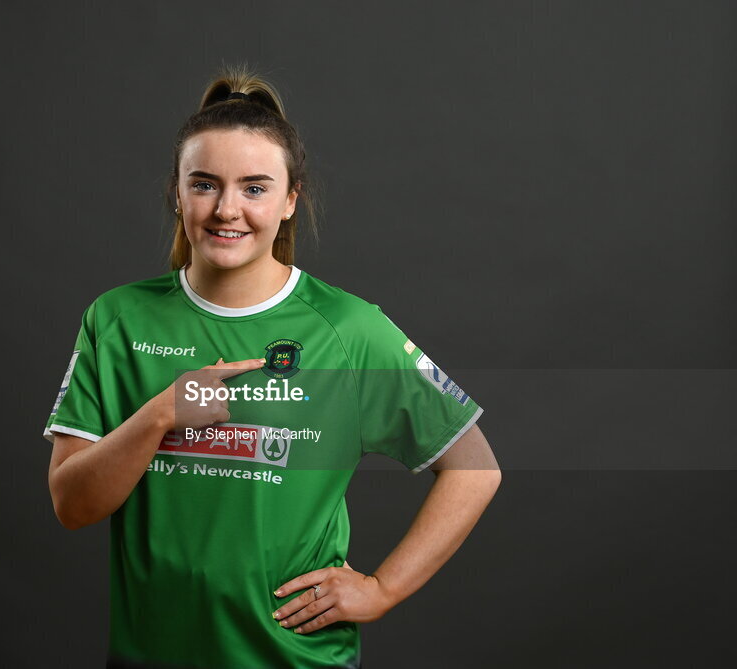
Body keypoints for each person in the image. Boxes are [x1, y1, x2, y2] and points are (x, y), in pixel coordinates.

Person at [43, 65, 501, 669]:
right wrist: (160, 415)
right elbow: (72, 506)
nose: (227, 209)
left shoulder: (349, 331)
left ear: (290, 201)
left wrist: (384, 589)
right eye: (204, 184)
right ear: (176, 193)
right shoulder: (118, 320)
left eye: (255, 188)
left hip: (295, 659)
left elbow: (475, 469)